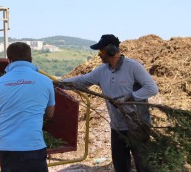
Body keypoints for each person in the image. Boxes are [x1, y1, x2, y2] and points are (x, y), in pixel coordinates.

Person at [62, 34, 158, 172]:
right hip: (117, 127)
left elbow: (152, 88)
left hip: (137, 126)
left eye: (101, 51)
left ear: (111, 50)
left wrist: (130, 97)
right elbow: (81, 81)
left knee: (143, 166)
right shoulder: (102, 71)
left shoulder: (133, 67)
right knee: (120, 166)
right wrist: (58, 83)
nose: (99, 55)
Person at [0, 42, 55, 172]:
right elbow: (49, 114)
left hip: (7, 147)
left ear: (9, 60)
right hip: (33, 145)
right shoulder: (46, 81)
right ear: (31, 59)